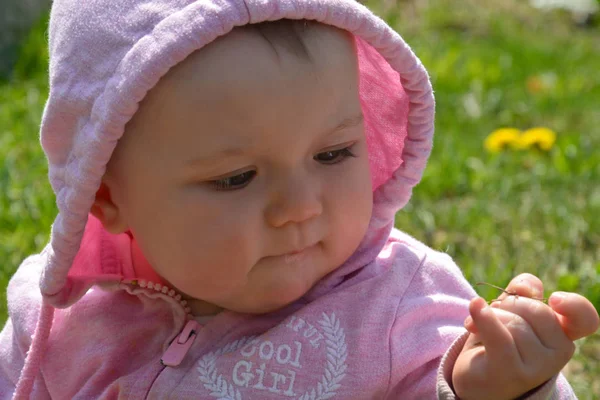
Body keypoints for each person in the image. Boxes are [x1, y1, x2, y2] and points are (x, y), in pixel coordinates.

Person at [1, 0, 598, 398]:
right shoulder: (61, 325)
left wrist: (502, 386)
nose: (299, 207)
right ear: (107, 195)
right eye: (236, 178)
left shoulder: (401, 308)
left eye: (333, 154)